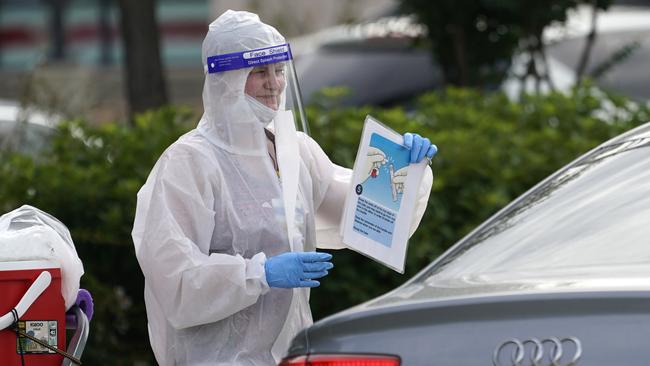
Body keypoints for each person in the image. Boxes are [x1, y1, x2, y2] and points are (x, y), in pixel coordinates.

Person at [132, 10, 437, 366]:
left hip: (289, 355)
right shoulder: (189, 163)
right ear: (224, 78)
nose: (273, 83)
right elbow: (176, 280)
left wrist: (404, 170)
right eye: (259, 71)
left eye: (278, 70)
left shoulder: (295, 151)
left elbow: (360, 219)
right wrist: (259, 274)